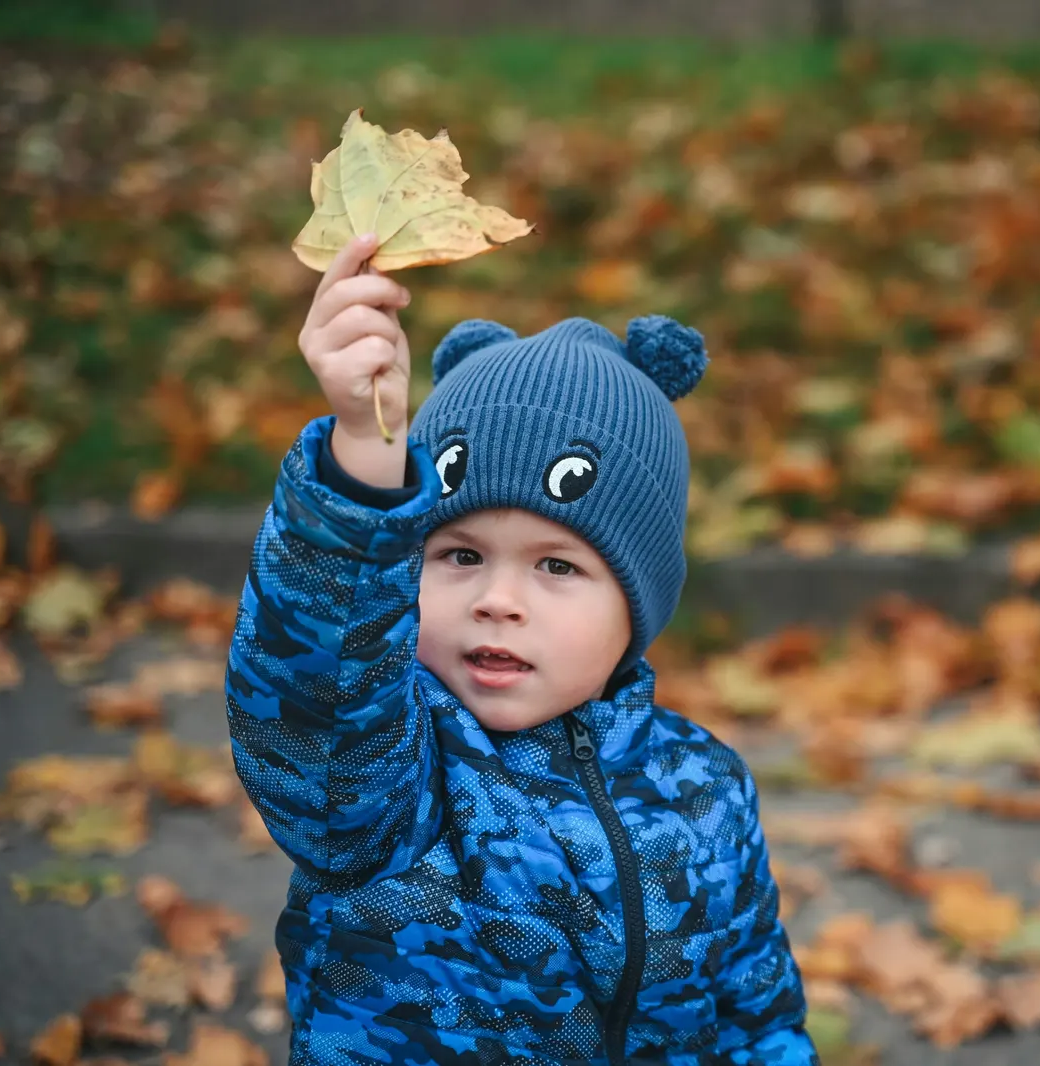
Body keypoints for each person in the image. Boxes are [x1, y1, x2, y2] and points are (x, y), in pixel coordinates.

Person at [226, 232, 817, 1065]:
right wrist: (364, 455)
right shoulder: (391, 777)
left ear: (636, 606)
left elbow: (758, 1015)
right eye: (459, 555)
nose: (498, 600)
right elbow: (310, 688)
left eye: (557, 566)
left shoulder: (705, 790)